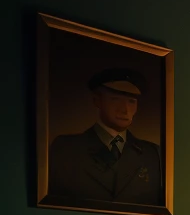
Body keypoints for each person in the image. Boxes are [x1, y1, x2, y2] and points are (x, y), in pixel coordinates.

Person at [45, 67, 164, 207]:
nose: (125, 109)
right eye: (115, 99)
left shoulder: (152, 154)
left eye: (131, 101)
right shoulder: (66, 149)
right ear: (97, 101)